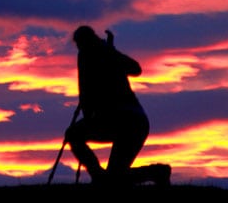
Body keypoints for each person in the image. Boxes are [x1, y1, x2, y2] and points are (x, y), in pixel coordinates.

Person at [65, 25, 170, 186]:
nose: (80, 48)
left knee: (74, 135)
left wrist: (110, 51)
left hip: (130, 122)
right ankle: (154, 172)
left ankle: (102, 178)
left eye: (81, 44)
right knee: (113, 178)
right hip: (124, 122)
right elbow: (85, 92)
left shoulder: (102, 53)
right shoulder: (93, 54)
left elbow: (135, 69)